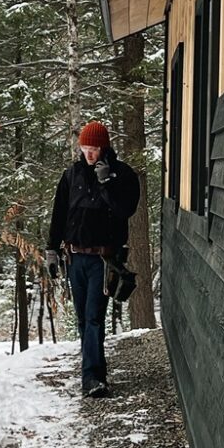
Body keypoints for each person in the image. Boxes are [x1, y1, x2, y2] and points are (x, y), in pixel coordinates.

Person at [45, 120, 141, 397]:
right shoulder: (71, 175)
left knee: (94, 317)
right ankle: (91, 371)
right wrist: (51, 250)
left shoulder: (122, 175)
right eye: (85, 148)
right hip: (74, 257)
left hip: (103, 259)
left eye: (94, 148)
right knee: (82, 319)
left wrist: (107, 183)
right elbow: (59, 213)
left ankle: (93, 378)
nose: (89, 154)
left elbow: (126, 210)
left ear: (104, 147)